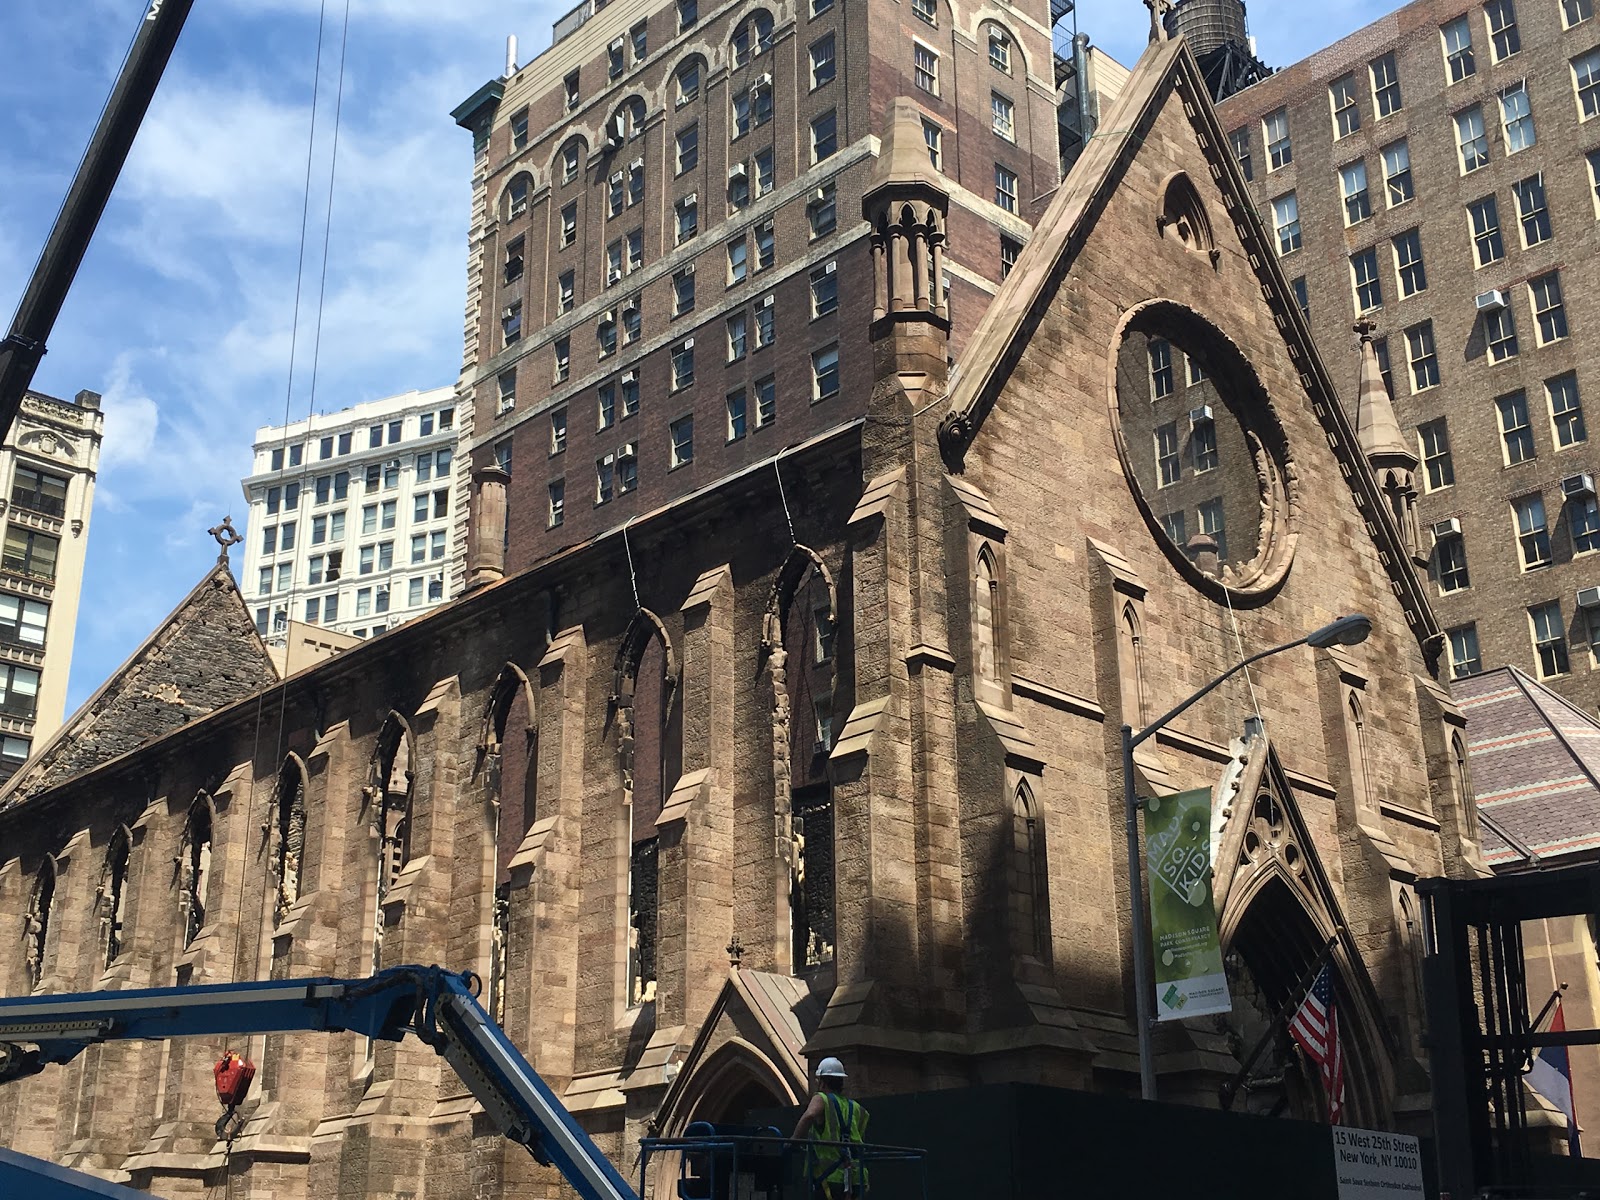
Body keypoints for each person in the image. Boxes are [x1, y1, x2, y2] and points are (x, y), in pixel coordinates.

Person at [791, 1057, 869, 1198]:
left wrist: (793, 1141)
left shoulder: (822, 1099)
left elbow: (809, 1115)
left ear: (822, 1082)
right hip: (857, 1178)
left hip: (829, 1178)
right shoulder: (856, 1108)